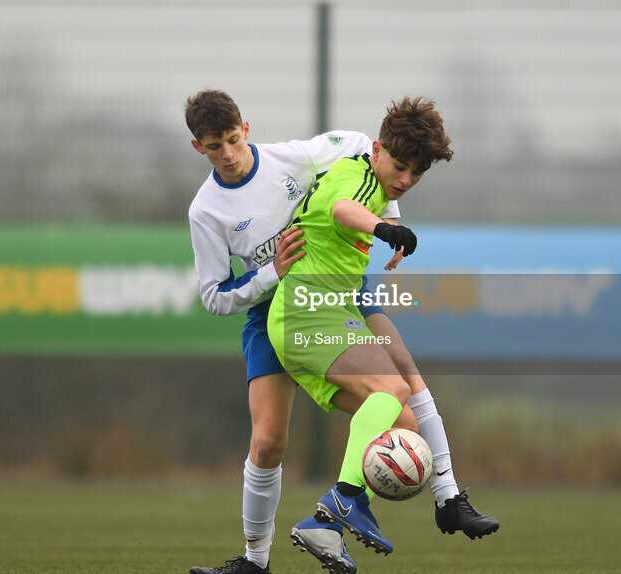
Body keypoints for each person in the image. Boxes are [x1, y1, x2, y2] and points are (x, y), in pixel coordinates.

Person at [185, 90, 497, 574]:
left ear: (246, 129)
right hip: (286, 304)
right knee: (270, 442)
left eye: (231, 140)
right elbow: (213, 295)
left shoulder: (307, 156)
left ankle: (438, 498)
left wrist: (389, 224)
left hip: (338, 288)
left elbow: (368, 177)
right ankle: (266, 555)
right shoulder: (206, 210)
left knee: (404, 405)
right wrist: (276, 272)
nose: (226, 153)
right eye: (213, 146)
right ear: (197, 147)